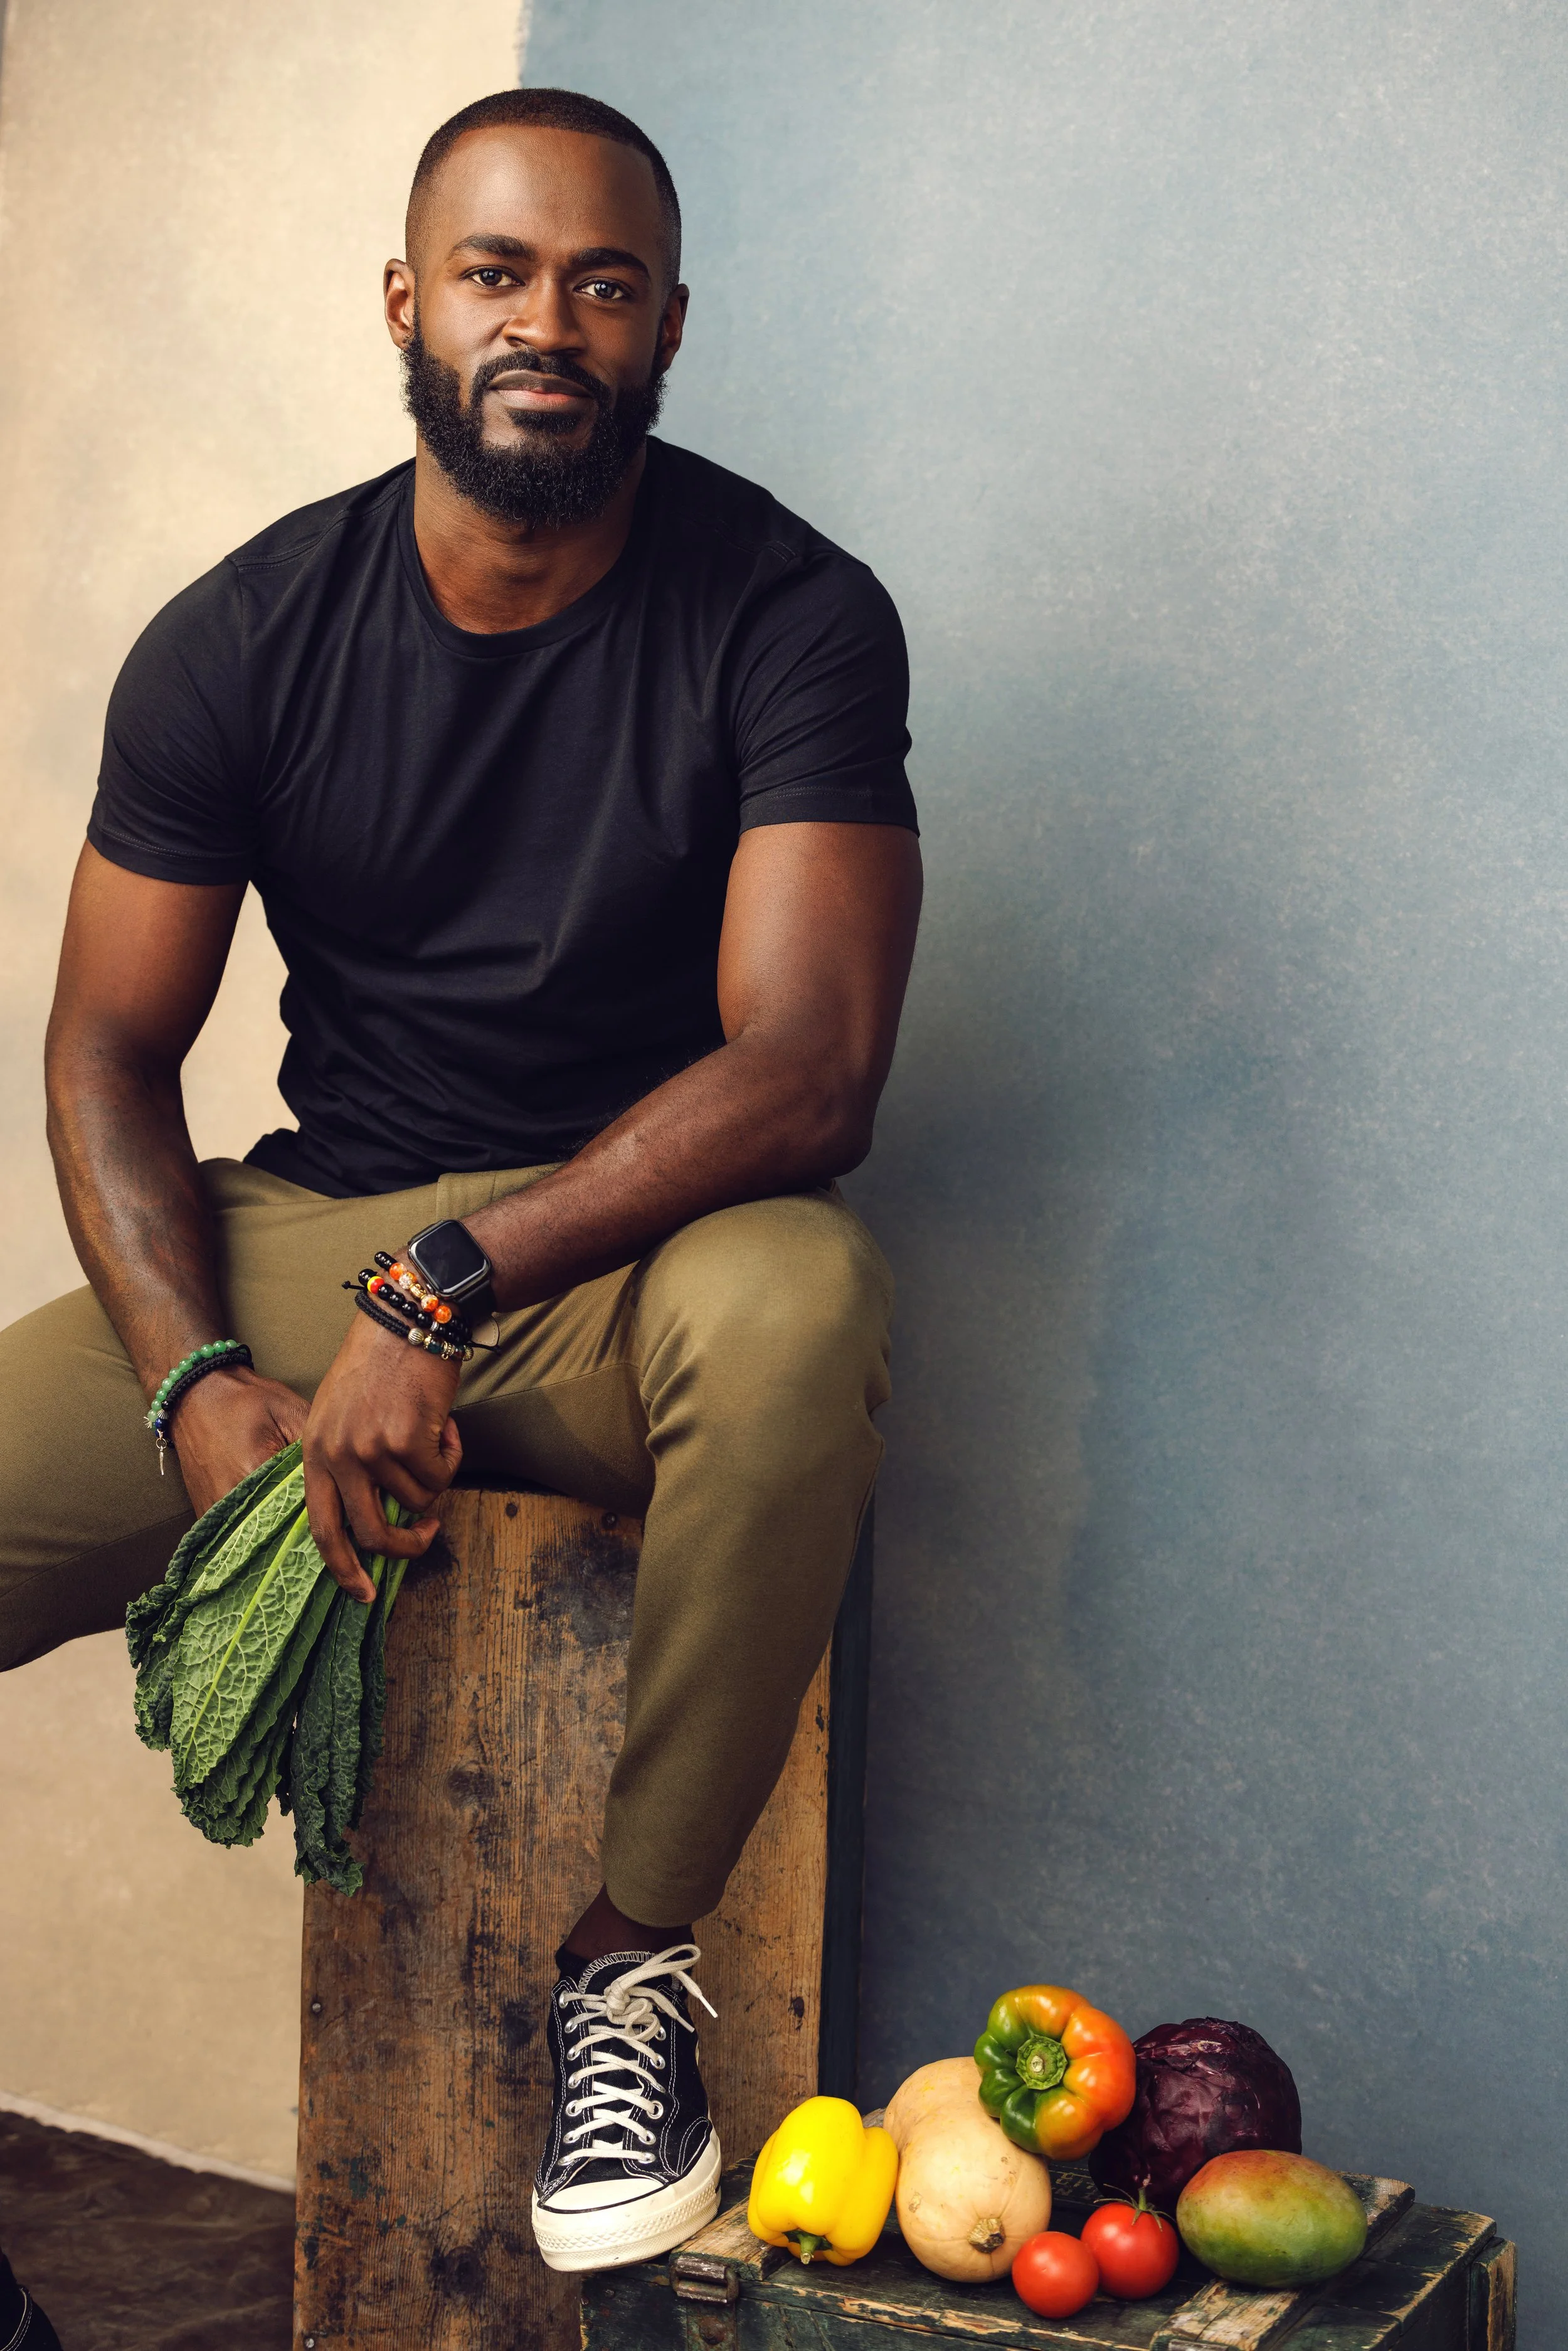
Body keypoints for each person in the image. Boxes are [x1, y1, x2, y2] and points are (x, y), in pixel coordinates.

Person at [0, 86, 920, 2280]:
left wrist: (447, 1287)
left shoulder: (789, 612)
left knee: (806, 1293)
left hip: (626, 1261)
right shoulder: (245, 634)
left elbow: (809, 1068)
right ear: (408, 303)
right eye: (499, 275)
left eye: (602, 286)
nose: (548, 325)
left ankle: (624, 1970)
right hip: (328, 1237)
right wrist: (200, 1378)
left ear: (668, 326)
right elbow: (107, 1047)